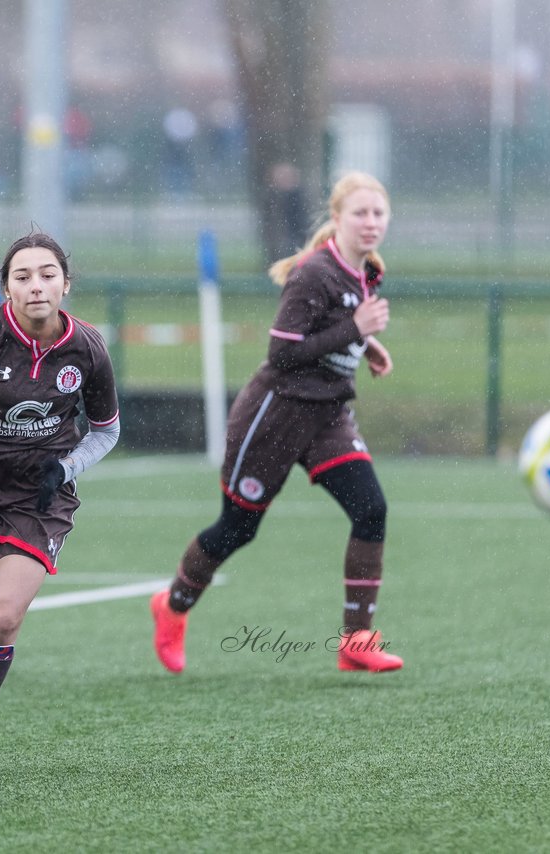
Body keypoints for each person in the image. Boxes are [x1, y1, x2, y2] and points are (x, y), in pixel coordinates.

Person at [151, 171, 404, 676]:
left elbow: (333, 326)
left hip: (328, 414)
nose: (371, 223)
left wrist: (365, 344)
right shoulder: (314, 272)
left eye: (378, 213)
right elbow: (283, 352)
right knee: (238, 528)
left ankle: (356, 639)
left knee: (371, 509)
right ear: (337, 220)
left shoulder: (367, 270)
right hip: (276, 416)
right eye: (360, 213)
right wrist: (355, 330)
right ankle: (173, 605)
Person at [0, 231, 120, 776]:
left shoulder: (88, 348)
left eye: (47, 274)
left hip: (38, 496)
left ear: (66, 283)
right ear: (7, 287)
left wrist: (65, 468)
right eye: (23, 276)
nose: (37, 286)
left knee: (4, 617)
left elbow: (106, 431)